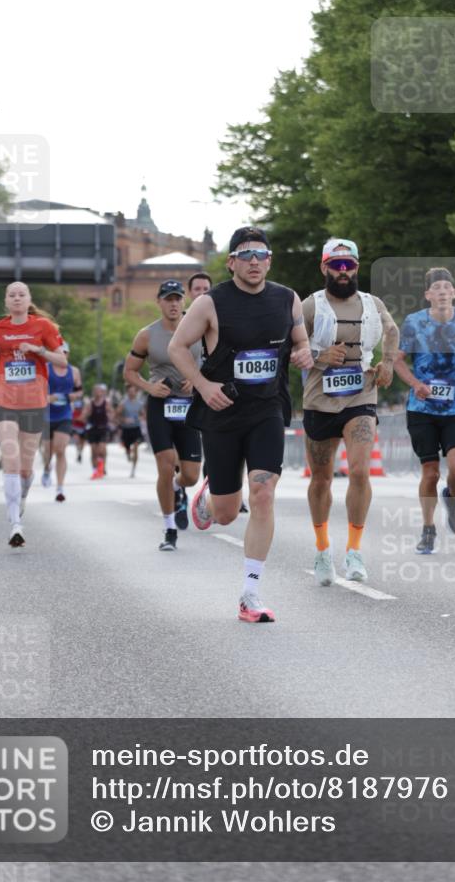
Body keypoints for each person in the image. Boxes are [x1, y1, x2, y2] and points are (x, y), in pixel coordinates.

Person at [169, 227, 313, 621]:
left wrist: (303, 354)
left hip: (267, 409)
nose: (254, 261)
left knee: (263, 492)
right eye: (245, 255)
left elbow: (300, 342)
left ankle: (250, 594)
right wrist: (202, 384)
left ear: (269, 261)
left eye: (261, 255)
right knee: (228, 514)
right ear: (231, 261)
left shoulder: (287, 299)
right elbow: (177, 348)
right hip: (222, 412)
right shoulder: (210, 303)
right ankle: (212, 495)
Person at [301, 238, 399, 586]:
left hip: (361, 395)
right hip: (320, 401)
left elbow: (391, 330)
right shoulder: (309, 306)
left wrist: (387, 362)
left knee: (359, 472)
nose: (343, 272)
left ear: (357, 267)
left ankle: (355, 550)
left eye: (350, 266)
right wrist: (318, 357)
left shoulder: (372, 304)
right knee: (321, 479)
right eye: (337, 265)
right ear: (325, 268)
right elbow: (286, 348)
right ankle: (323, 548)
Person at [394, 268, 455, 553]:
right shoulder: (413, 322)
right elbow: (397, 360)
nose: (442, 291)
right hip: (422, 408)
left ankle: (452, 495)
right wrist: (415, 383)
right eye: (437, 288)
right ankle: (428, 529)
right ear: (428, 295)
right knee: (430, 472)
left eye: (447, 287)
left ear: (454, 293)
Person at [0, 282, 66, 547]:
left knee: (25, 468)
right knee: (10, 459)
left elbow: (62, 361)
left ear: (29, 299)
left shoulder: (44, 327)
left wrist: (38, 351)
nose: (17, 298)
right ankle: (15, 525)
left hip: (34, 402)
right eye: (12, 295)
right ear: (6, 301)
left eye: (21, 294)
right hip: (5, 401)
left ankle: (22, 495)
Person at [125, 280, 203, 550]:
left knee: (192, 474)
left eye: (177, 299)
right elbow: (129, 371)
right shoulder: (146, 335)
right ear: (159, 302)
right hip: (161, 405)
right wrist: (149, 387)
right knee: (166, 463)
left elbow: (216, 361)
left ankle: (180, 489)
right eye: (168, 299)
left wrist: (198, 379)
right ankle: (169, 529)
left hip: (190, 405)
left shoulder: (199, 329)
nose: (173, 304)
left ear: (184, 302)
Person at [41, 342, 82, 501]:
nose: (63, 355)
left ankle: (60, 488)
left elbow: (80, 391)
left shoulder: (74, 371)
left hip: (64, 415)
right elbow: (35, 391)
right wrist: (47, 398)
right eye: (59, 352)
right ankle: (46, 469)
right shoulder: (45, 368)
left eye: (65, 352)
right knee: (48, 452)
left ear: (68, 354)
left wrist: (74, 396)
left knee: (60, 450)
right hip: (46, 415)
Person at [83, 383, 111, 479]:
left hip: (103, 428)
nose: (97, 393)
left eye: (99, 391)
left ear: (102, 392)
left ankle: (102, 467)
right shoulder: (90, 403)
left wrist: (112, 417)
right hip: (92, 429)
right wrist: (85, 415)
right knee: (94, 451)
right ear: (93, 392)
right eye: (95, 391)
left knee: (101, 450)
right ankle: (95, 470)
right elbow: (84, 415)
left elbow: (111, 413)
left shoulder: (106, 403)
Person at [117, 383, 145, 477]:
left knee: (136, 446)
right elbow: (116, 415)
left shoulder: (140, 403)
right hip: (126, 429)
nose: (131, 393)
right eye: (129, 392)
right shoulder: (123, 403)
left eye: (133, 391)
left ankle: (133, 469)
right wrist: (124, 419)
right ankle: (128, 453)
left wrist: (141, 418)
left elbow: (143, 415)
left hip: (136, 428)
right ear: (127, 392)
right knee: (127, 448)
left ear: (136, 392)